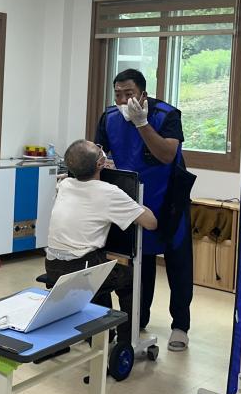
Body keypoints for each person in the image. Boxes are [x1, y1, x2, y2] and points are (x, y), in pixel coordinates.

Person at [95, 68, 194, 352]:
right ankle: (139, 317)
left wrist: (142, 124)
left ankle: (180, 325)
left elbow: (166, 154)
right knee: (140, 260)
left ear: (143, 95)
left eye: (129, 94)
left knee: (178, 263)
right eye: (118, 94)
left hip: (168, 199)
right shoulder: (109, 118)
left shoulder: (167, 115)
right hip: (131, 200)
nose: (123, 100)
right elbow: (98, 152)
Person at [45, 139, 157, 344]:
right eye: (99, 151)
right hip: (82, 269)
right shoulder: (109, 192)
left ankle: (103, 333)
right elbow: (151, 223)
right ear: (100, 164)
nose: (102, 149)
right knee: (129, 277)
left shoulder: (65, 184)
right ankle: (126, 342)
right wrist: (134, 203)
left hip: (52, 266)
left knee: (103, 267)